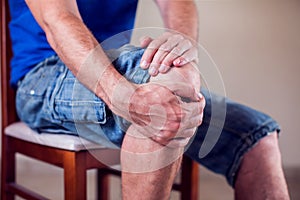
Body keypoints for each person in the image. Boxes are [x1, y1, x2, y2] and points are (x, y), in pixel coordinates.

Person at [8, 0, 290, 199]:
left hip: (119, 68)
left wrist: (178, 49)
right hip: (44, 77)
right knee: (164, 98)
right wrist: (124, 97)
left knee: (255, 137)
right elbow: (58, 20)